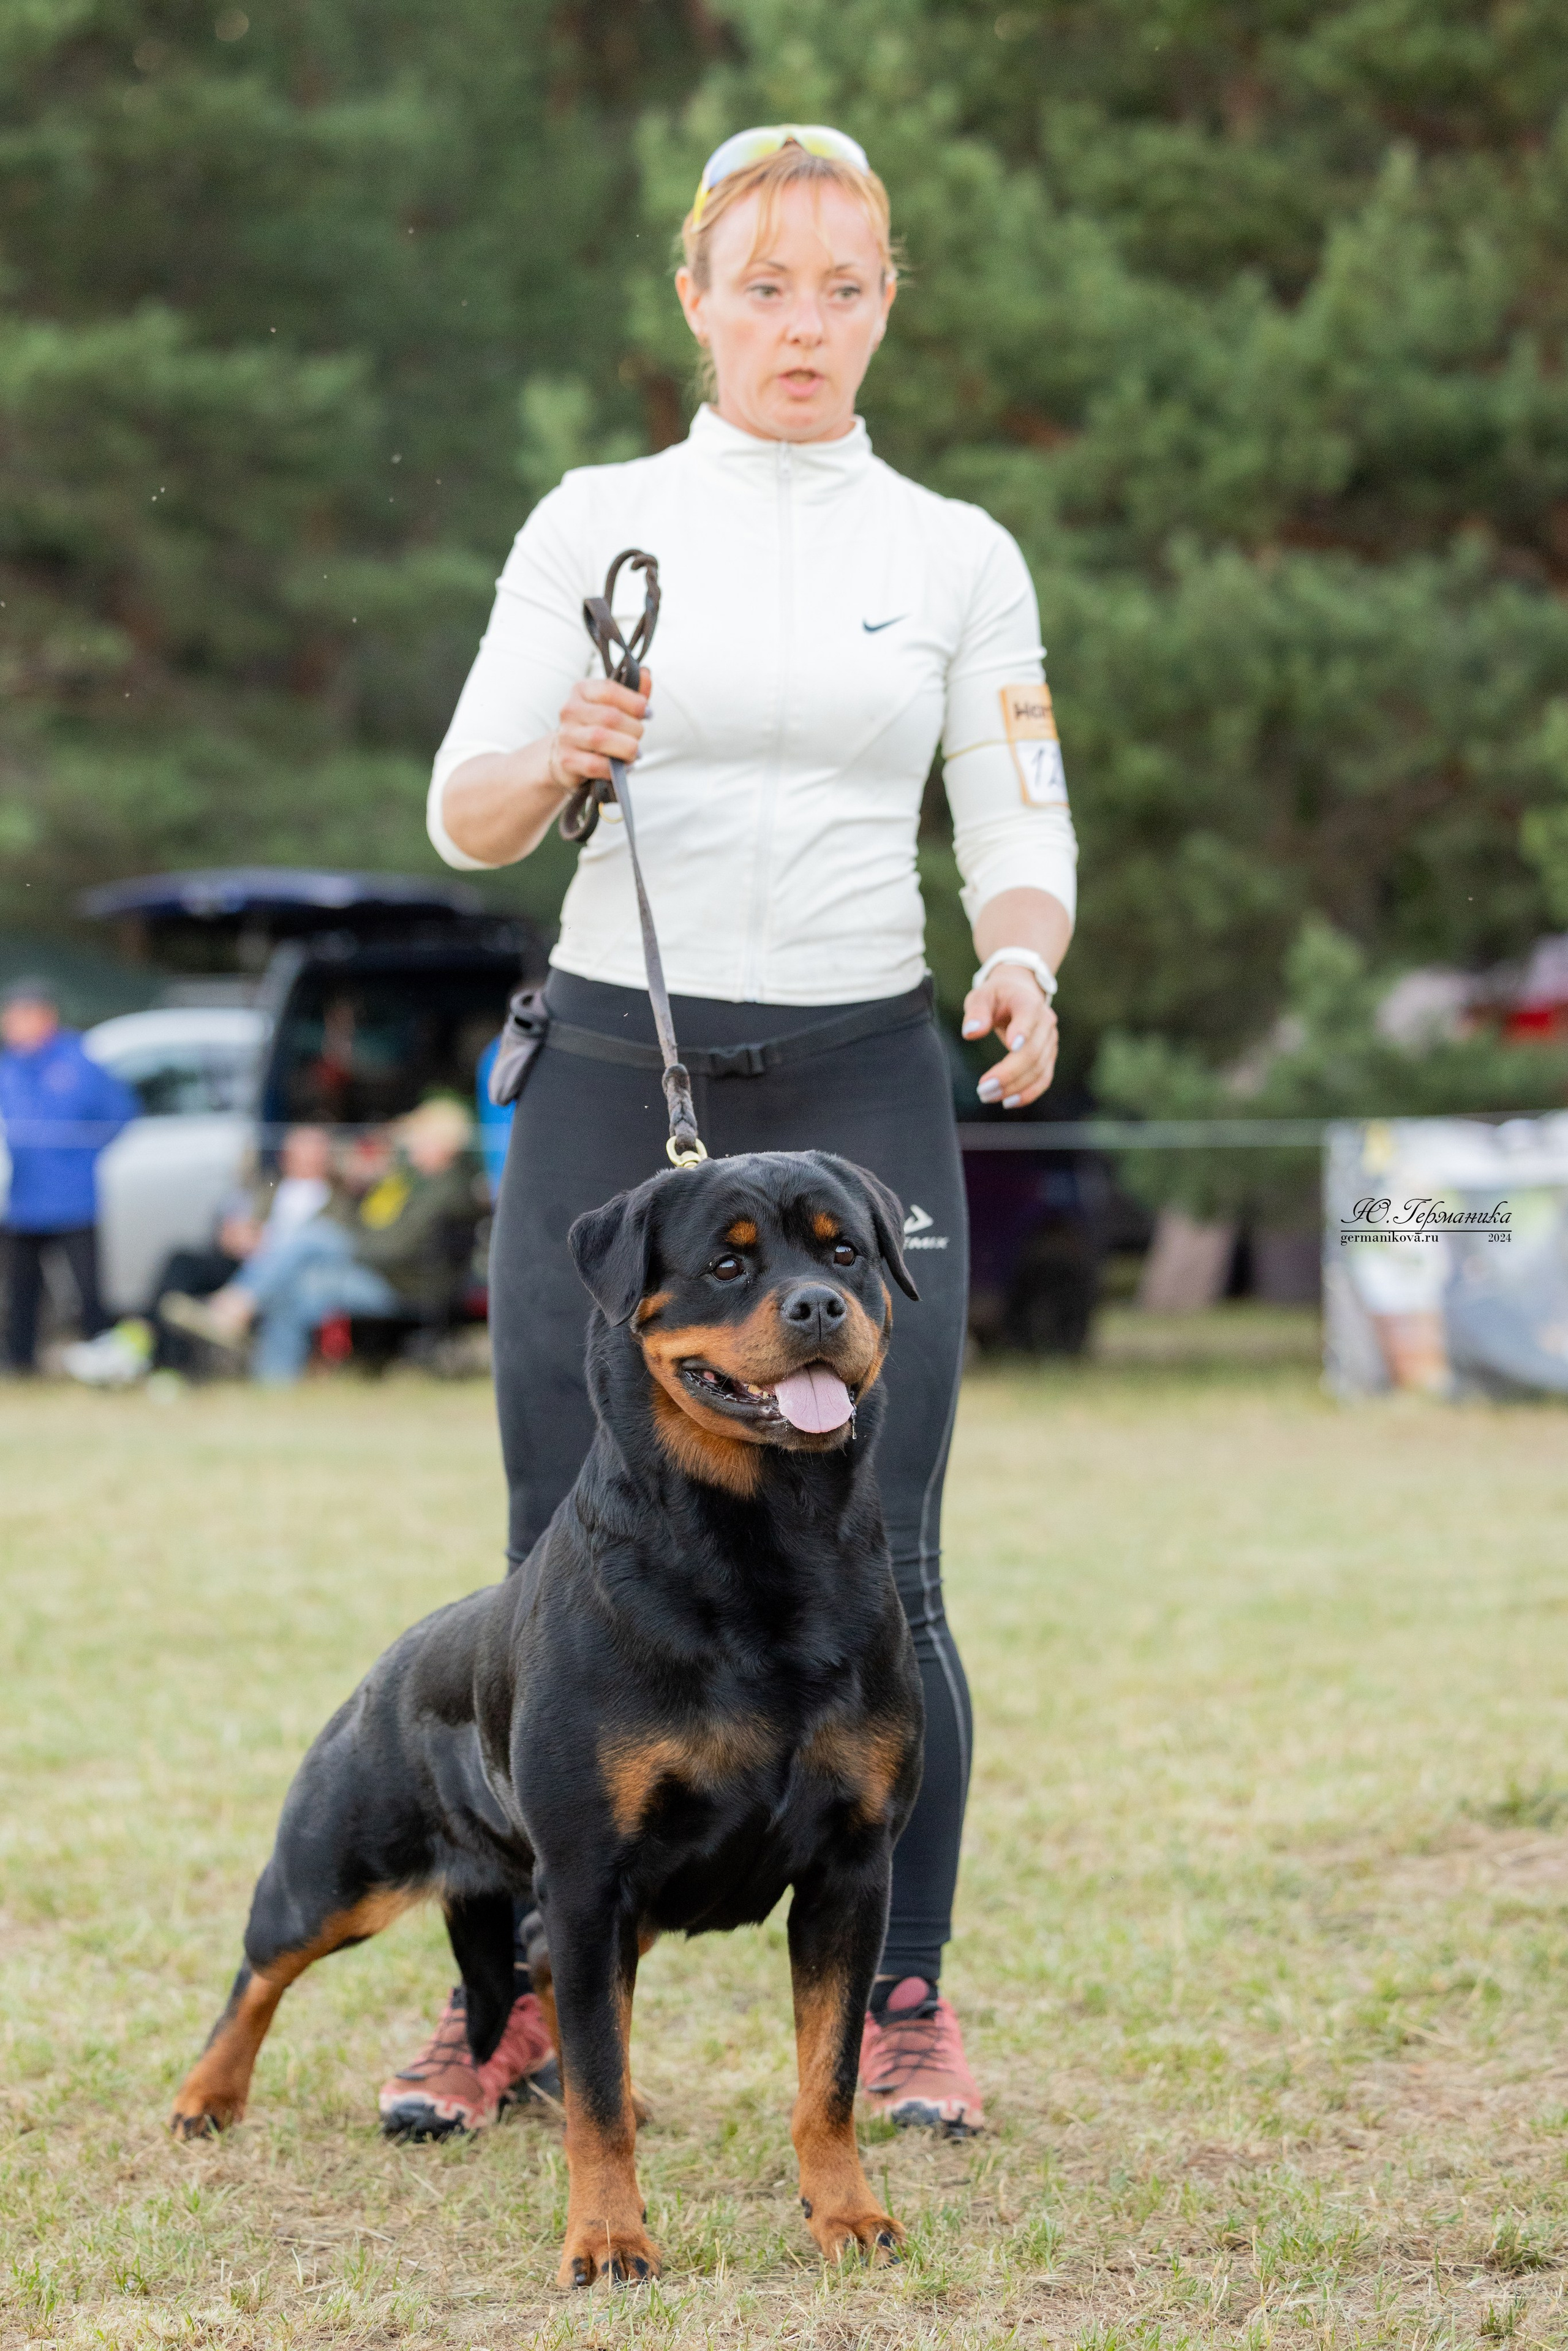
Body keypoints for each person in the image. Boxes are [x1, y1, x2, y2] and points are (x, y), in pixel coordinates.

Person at [391, 125, 1077, 2141]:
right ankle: (505, 2003)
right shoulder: (598, 515)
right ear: (695, 296)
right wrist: (555, 752)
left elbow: (1019, 817)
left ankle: (906, 2007)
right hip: (621, 1069)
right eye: (762, 285)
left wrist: (1023, 959)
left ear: (886, 302)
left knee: (900, 1574)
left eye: (842, 286)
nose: (803, 324)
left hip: (865, 1077)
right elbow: (466, 807)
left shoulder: (955, 548)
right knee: (548, 1565)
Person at [162, 1099, 480, 1383]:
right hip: (382, 1269)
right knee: (298, 1287)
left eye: (420, 1136)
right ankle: (272, 1383)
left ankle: (235, 1306)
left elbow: (395, 1247)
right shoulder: (410, 1180)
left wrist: (347, 1242)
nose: (410, 1142)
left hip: (403, 1282)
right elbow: (377, 1221)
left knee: (316, 1236)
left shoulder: (444, 1190)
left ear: (444, 1145)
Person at [62, 1125, 336, 1386]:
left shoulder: (336, 1197)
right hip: (246, 1263)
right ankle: (155, 1353)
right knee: (180, 1262)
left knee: (294, 1254)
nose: (294, 1155)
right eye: (293, 1149)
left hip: (290, 1274)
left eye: (307, 1149)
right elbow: (233, 1222)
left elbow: (335, 1245)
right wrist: (238, 1236)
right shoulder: (271, 1187)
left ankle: (142, 1347)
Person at [0, 976, 138, 1377]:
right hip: (22, 1202)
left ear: (44, 1017)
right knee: (22, 1292)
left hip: (73, 1200)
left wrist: (81, 1155)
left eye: (19, 1016)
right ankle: (21, 1366)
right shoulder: (8, 1069)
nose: (11, 1025)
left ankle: (104, 1362)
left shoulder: (78, 1062)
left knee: (88, 1290)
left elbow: (119, 1112)